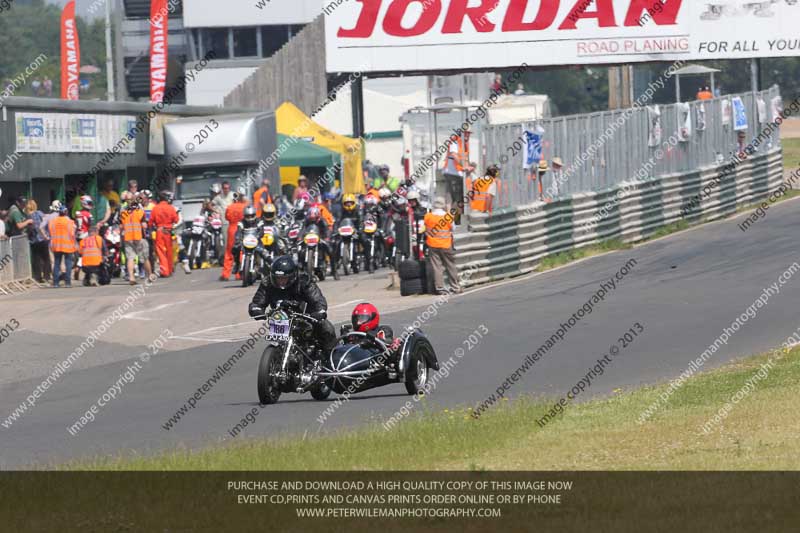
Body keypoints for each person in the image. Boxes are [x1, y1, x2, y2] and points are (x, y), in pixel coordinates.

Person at [248, 255, 337, 359]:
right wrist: (256, 310)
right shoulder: (267, 283)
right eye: (278, 278)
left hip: (305, 317)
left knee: (327, 329)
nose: (280, 281)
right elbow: (258, 302)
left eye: (284, 278)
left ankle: (331, 361)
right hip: (280, 319)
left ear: (292, 276)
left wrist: (320, 311)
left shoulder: (304, 280)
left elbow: (317, 299)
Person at [424, 197, 461, 295]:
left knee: (437, 267)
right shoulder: (447, 216)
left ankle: (440, 288)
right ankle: (455, 287)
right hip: (446, 245)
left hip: (432, 245)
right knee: (451, 266)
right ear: (443, 205)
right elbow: (453, 229)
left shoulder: (428, 216)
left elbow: (425, 228)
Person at [120, 196, 152, 285]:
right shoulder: (140, 212)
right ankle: (149, 276)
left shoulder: (123, 214)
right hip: (139, 238)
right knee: (145, 258)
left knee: (130, 258)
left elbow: (121, 227)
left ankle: (131, 277)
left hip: (128, 238)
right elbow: (144, 225)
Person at [150, 190, 179, 277]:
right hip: (168, 231)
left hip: (159, 231)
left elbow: (151, 221)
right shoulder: (171, 208)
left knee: (161, 251)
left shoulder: (155, 208)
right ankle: (170, 269)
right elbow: (176, 220)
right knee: (169, 251)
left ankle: (164, 270)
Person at [48, 205, 78, 288]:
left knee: (57, 263)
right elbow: (73, 234)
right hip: (67, 245)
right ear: (66, 212)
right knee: (68, 264)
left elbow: (50, 232)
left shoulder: (52, 221)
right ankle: (67, 283)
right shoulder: (70, 222)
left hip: (56, 245)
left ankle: (56, 283)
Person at [221, 193, 248, 281]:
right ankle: (239, 274)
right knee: (241, 251)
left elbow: (227, 217)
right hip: (241, 229)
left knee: (229, 252)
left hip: (231, 229)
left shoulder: (230, 207)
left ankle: (225, 274)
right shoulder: (244, 207)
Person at [25, 199, 51, 283]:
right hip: (43, 238)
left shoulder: (27, 217)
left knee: (36, 259)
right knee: (46, 258)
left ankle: (38, 277)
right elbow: (46, 220)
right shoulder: (39, 213)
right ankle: (47, 276)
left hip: (34, 240)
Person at [232, 205, 261, 277]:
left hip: (256, 240)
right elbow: (238, 231)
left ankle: (264, 267)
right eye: (247, 216)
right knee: (235, 247)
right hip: (245, 241)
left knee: (263, 251)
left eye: (251, 216)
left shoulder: (259, 221)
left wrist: (259, 235)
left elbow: (262, 230)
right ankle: (237, 263)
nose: (250, 218)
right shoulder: (241, 222)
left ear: (254, 215)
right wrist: (238, 237)